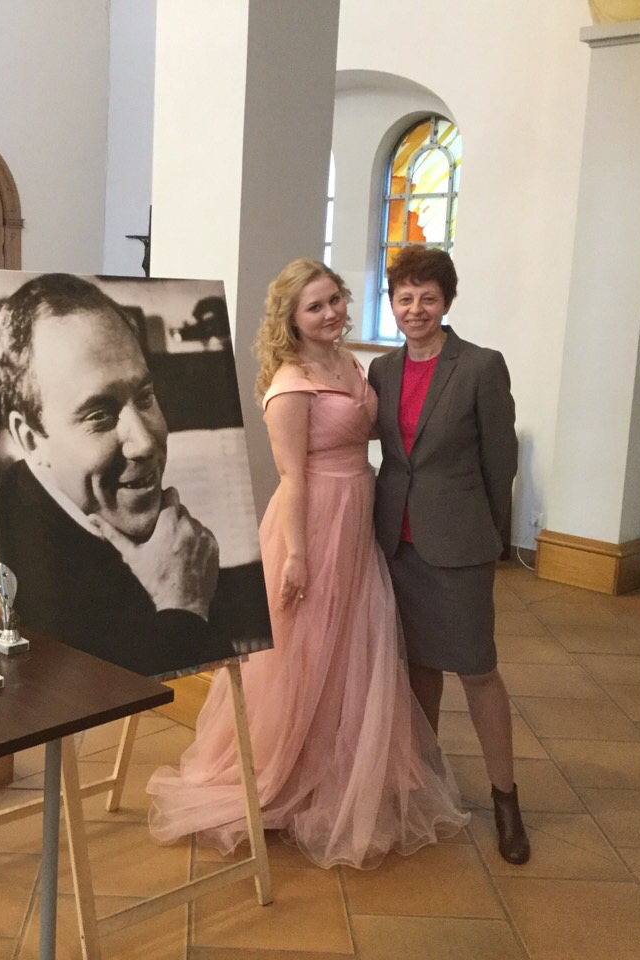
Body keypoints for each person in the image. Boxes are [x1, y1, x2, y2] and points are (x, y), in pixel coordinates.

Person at [147, 259, 468, 869]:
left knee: (351, 645)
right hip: (313, 522)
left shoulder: (350, 364)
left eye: (334, 301)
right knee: (306, 648)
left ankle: (338, 764)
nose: (329, 314)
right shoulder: (291, 383)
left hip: (357, 517)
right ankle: (290, 770)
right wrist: (296, 554)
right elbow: (291, 476)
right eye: (314, 307)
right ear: (292, 319)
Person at [0, 273, 267, 679]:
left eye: (145, 397)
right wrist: (183, 608)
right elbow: (98, 694)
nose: (145, 443)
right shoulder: (25, 567)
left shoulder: (160, 534)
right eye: (99, 415)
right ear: (31, 439)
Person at [367, 246, 530, 864]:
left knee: (478, 670)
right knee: (418, 670)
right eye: (404, 298)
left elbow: (501, 463)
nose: (416, 309)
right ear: (392, 303)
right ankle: (426, 790)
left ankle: (506, 798)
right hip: (396, 542)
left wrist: (488, 538)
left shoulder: (481, 366)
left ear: (446, 302)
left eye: (428, 298)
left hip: (459, 545)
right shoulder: (382, 369)